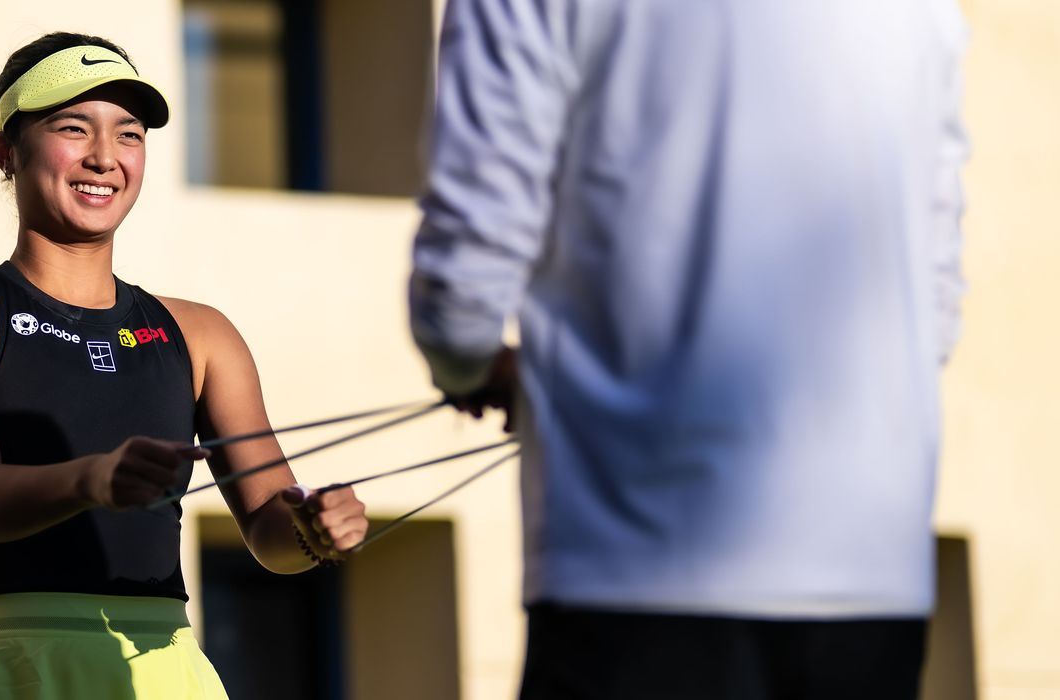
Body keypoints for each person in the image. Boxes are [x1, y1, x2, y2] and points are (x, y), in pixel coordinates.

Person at [408, 1, 968, 698]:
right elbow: (937, 297)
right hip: (874, 574)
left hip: (635, 568)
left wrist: (475, 363)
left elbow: (462, 282)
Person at [0, 32, 368, 700]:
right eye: (72, 128)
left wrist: (316, 531)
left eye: (129, 135)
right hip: (17, 667)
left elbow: (270, 533)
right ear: (7, 151)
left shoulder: (201, 333)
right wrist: (95, 478)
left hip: (166, 670)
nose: (104, 158)